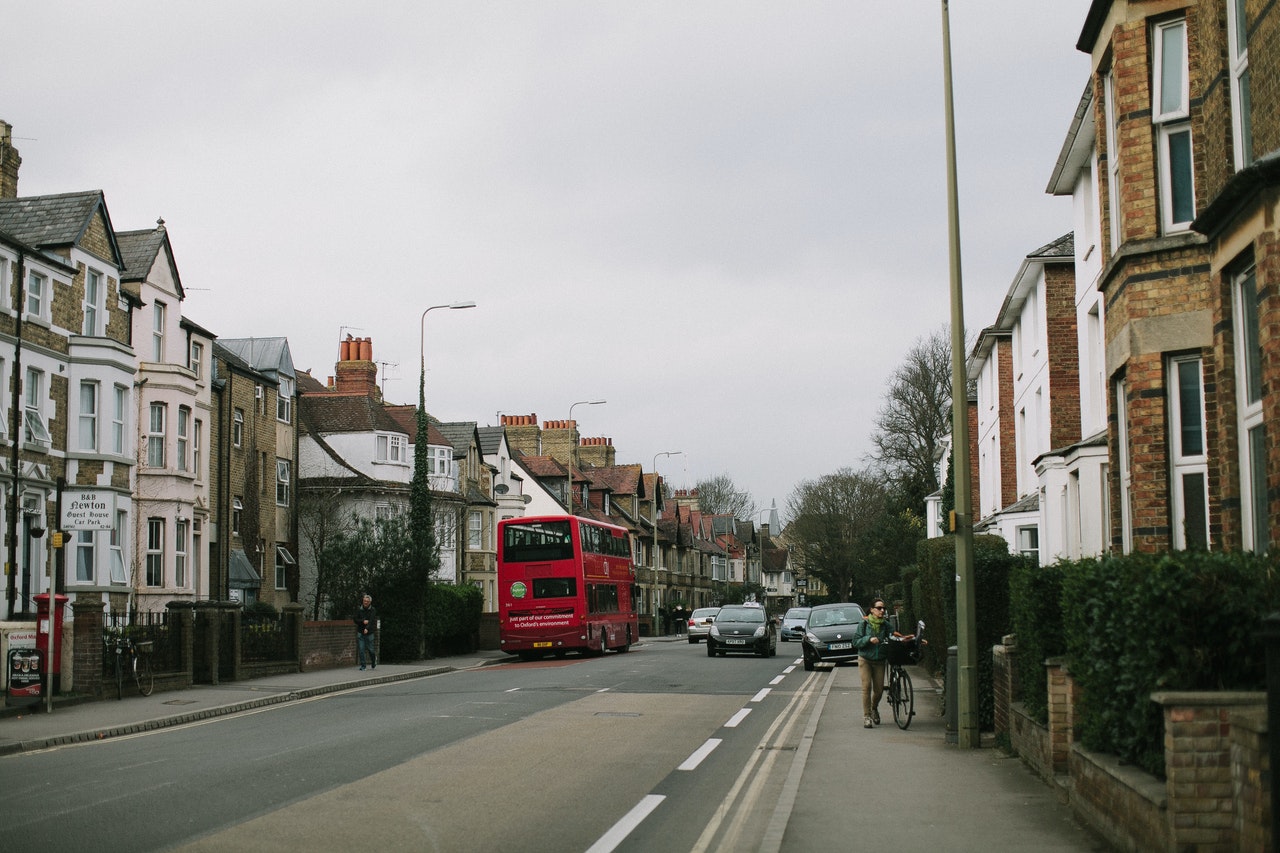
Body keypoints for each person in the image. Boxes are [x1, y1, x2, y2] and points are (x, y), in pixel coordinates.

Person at [853, 599, 892, 728]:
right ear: (872, 610)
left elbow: (894, 636)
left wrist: (908, 639)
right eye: (879, 608)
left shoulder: (886, 625)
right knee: (866, 687)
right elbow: (856, 641)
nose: (882, 611)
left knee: (879, 690)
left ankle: (874, 708)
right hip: (865, 659)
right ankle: (867, 716)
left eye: (883, 608)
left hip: (880, 660)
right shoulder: (864, 624)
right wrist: (868, 639)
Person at [353, 593, 377, 670]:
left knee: (371, 650)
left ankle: (373, 661)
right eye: (364, 601)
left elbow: (371, 620)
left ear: (370, 602)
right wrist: (362, 621)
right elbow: (355, 619)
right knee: (361, 649)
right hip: (360, 632)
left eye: (367, 601)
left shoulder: (372, 610)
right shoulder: (359, 609)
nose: (365, 602)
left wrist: (367, 628)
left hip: (369, 633)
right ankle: (363, 666)